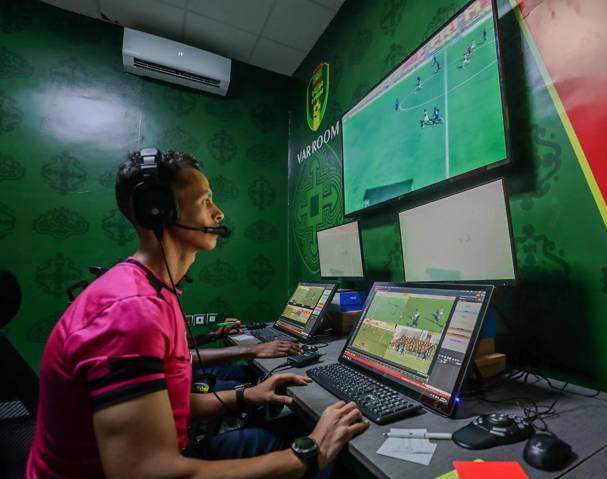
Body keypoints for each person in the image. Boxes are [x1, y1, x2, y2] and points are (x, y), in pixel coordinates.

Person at [26, 149, 367, 479]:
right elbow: (146, 473)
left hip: (170, 454)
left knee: (276, 432)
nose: (218, 214)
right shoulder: (132, 310)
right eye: (205, 202)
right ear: (157, 212)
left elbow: (167, 406)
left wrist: (247, 394)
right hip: (156, 467)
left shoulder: (155, 291)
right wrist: (309, 453)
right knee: (327, 462)